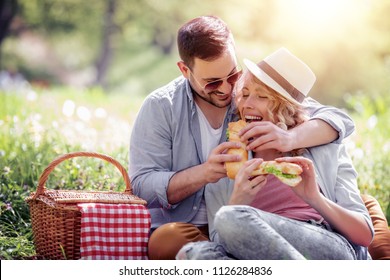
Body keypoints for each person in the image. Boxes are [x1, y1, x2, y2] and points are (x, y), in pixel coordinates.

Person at [129, 16, 356, 260]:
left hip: (260, 222)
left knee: (366, 217)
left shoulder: (248, 95)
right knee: (169, 242)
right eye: (212, 82)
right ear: (185, 70)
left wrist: (288, 139)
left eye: (232, 76)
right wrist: (204, 173)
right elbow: (142, 184)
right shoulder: (161, 106)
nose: (227, 89)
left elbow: (331, 117)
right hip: (200, 224)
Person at [177, 47, 374, 260]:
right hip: (259, 251)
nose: (247, 104)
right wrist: (239, 199)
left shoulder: (323, 145)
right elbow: (223, 240)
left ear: (286, 108)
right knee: (191, 254)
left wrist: (314, 198)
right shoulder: (228, 159)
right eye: (244, 94)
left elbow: (364, 234)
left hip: (327, 244)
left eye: (261, 96)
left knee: (228, 218)